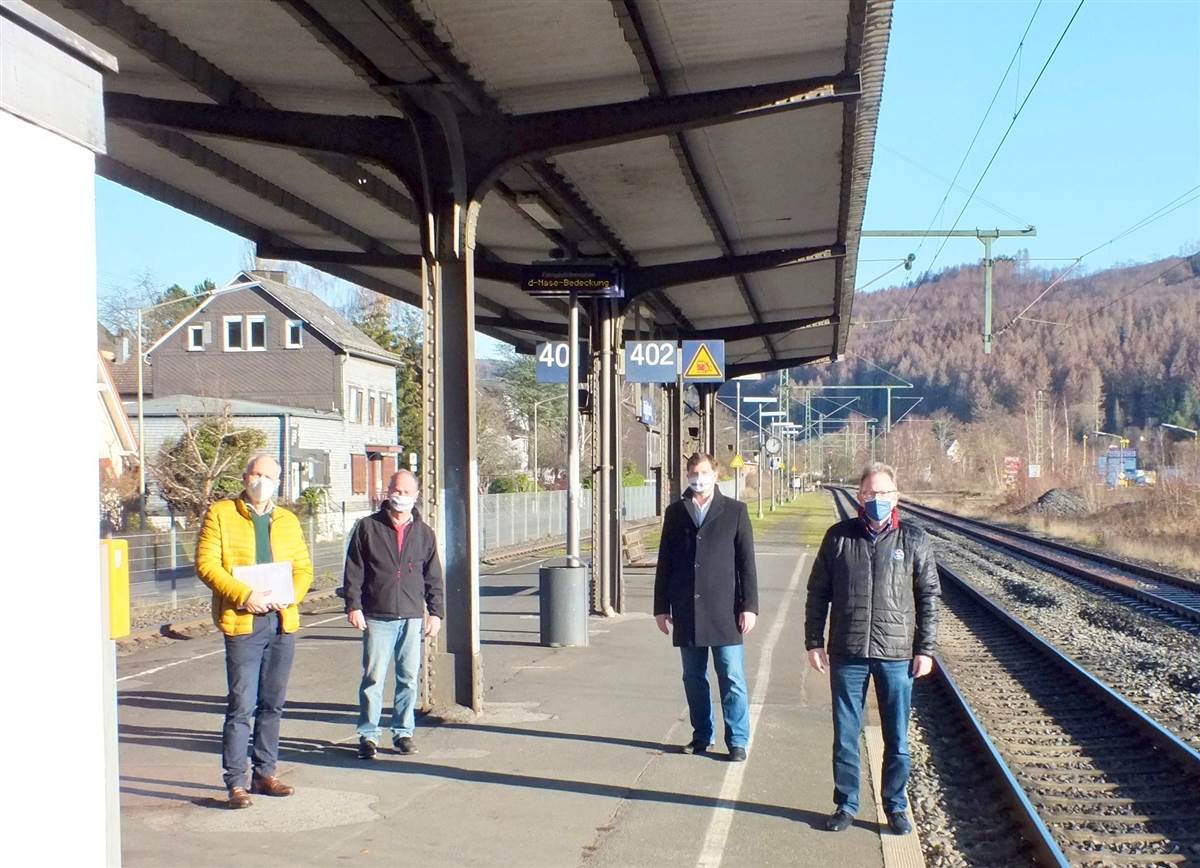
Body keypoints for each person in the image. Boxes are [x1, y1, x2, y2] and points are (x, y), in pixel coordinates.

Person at [804, 462, 940, 835]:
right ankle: (846, 804)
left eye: (884, 493)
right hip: (848, 652)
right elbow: (818, 593)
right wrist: (813, 641)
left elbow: (928, 596)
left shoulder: (914, 539)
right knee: (846, 735)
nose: (876, 499)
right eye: (869, 493)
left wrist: (925, 649)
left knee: (897, 737)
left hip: (897, 655)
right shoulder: (838, 537)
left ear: (895, 497)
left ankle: (895, 806)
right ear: (860, 497)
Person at [195, 453, 313, 809]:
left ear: (279, 482)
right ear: (245, 476)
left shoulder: (287, 520)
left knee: (273, 703)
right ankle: (235, 781)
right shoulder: (221, 514)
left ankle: (265, 773)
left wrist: (288, 595)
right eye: (256, 474)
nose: (261, 481)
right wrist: (244, 594)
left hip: (281, 620)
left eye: (269, 476)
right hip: (243, 621)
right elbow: (206, 565)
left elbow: (303, 568)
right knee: (241, 704)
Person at [653, 452, 758, 761]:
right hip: (686, 609)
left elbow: (746, 564)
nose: (698, 478)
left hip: (725, 611)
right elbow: (665, 564)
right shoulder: (676, 513)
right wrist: (661, 607)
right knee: (693, 677)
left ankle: (737, 739)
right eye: (693, 473)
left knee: (732, 678)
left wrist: (749, 606)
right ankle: (702, 736)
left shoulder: (735, 511)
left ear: (715, 474)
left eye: (703, 472)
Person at [343, 469, 444, 760]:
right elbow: (354, 571)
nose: (400, 497)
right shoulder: (367, 527)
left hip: (411, 616)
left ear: (416, 496)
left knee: (408, 678)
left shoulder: (424, 533)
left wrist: (435, 612)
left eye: (406, 492)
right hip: (377, 615)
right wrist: (353, 605)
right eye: (396, 490)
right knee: (373, 678)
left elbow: (433, 576)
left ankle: (403, 732)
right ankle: (368, 735)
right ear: (388, 491)